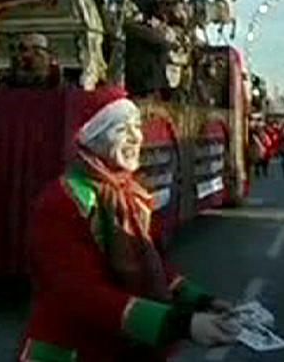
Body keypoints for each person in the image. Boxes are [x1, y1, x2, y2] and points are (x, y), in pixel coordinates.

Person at [20, 94, 238, 361]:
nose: (137, 138)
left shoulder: (131, 193)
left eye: (137, 127)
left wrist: (202, 301)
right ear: (94, 138)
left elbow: (153, 266)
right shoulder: (61, 201)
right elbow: (82, 294)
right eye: (123, 129)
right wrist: (183, 324)